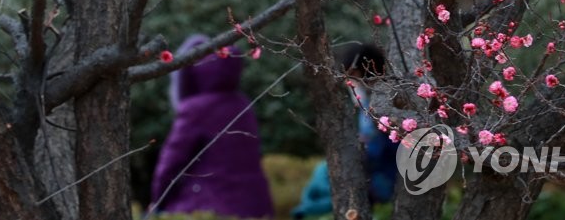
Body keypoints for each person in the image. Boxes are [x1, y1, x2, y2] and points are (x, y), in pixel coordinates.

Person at [151, 34, 274, 219]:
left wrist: (157, 201)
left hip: (208, 206)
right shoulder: (243, 105)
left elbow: (171, 163)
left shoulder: (195, 110)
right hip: (255, 205)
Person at [291, 42, 399, 218]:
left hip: (382, 177)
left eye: (354, 76)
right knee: (322, 174)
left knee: (327, 185)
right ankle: (305, 210)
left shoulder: (386, 106)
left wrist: (358, 149)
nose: (350, 83)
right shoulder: (366, 105)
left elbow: (379, 151)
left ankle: (304, 212)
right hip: (369, 169)